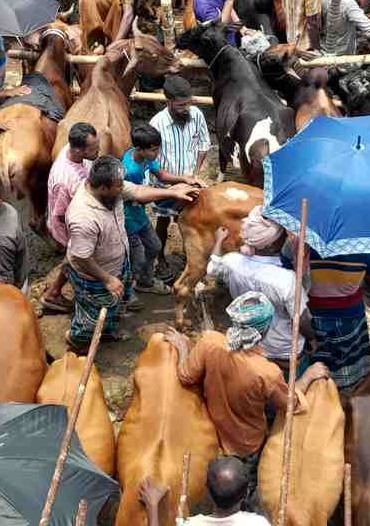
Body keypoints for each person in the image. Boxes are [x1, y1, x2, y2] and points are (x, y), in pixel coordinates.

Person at [165, 297, 326, 479]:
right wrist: (308, 376)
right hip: (245, 444)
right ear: (264, 331)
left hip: (211, 432)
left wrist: (182, 347)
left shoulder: (209, 341)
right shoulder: (267, 372)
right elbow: (290, 404)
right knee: (245, 480)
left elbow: (185, 376)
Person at [64, 158, 197, 351]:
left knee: (113, 307)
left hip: (118, 264)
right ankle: (77, 340)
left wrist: (173, 191)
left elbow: (137, 191)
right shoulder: (83, 217)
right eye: (118, 187)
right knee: (92, 319)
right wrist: (107, 279)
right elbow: (81, 258)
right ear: (103, 187)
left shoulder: (111, 191)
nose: (122, 189)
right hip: (95, 278)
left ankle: (108, 331)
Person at [210, 208, 314, 370]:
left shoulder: (231, 262)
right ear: (272, 245)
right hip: (282, 351)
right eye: (283, 235)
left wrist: (219, 240)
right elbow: (301, 320)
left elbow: (212, 267)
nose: (287, 236)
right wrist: (313, 340)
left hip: (248, 345)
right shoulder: (287, 280)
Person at [124, 124, 204, 295]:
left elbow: (160, 175)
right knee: (135, 258)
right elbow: (140, 195)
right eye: (153, 150)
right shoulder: (131, 171)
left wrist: (184, 179)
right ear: (139, 149)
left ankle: (145, 280)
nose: (157, 154)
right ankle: (127, 293)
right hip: (128, 219)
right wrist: (173, 192)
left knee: (154, 246)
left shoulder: (146, 158)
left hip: (139, 215)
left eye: (158, 149)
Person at [149, 76, 212, 277]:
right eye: (180, 105)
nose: (186, 108)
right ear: (168, 102)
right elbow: (154, 165)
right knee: (163, 220)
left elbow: (203, 144)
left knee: (191, 220)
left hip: (191, 179)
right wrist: (179, 180)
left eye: (189, 103)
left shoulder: (197, 115)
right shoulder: (156, 124)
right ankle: (160, 259)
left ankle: (190, 256)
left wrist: (195, 173)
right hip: (165, 184)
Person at [41, 122, 101, 314]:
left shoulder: (72, 151)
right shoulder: (65, 180)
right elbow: (59, 214)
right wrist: (75, 236)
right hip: (69, 226)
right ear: (77, 149)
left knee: (73, 259)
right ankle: (59, 294)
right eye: (93, 148)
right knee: (79, 259)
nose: (98, 151)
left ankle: (53, 291)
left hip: (76, 219)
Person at [137, 457, 269, 526]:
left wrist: (152, 506)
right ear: (246, 494)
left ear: (207, 493)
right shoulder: (259, 523)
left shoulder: (191, 524)